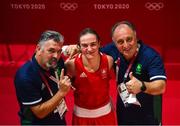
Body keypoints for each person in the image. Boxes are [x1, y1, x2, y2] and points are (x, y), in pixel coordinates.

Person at [101, 21, 167, 125]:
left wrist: (142, 86)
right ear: (114, 43)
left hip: (149, 116)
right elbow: (91, 51)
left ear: (135, 35)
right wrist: (74, 48)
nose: (126, 45)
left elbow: (161, 86)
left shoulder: (151, 56)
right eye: (120, 42)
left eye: (129, 39)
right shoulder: (112, 49)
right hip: (123, 113)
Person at [14, 30, 72, 125]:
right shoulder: (25, 77)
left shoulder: (56, 62)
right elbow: (40, 112)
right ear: (38, 49)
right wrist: (61, 92)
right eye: (51, 51)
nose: (56, 56)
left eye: (59, 51)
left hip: (58, 118)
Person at [65, 28, 116, 125]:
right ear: (79, 46)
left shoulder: (108, 61)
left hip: (106, 117)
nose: (89, 49)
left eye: (93, 44)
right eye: (84, 45)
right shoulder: (71, 65)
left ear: (99, 44)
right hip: (81, 118)